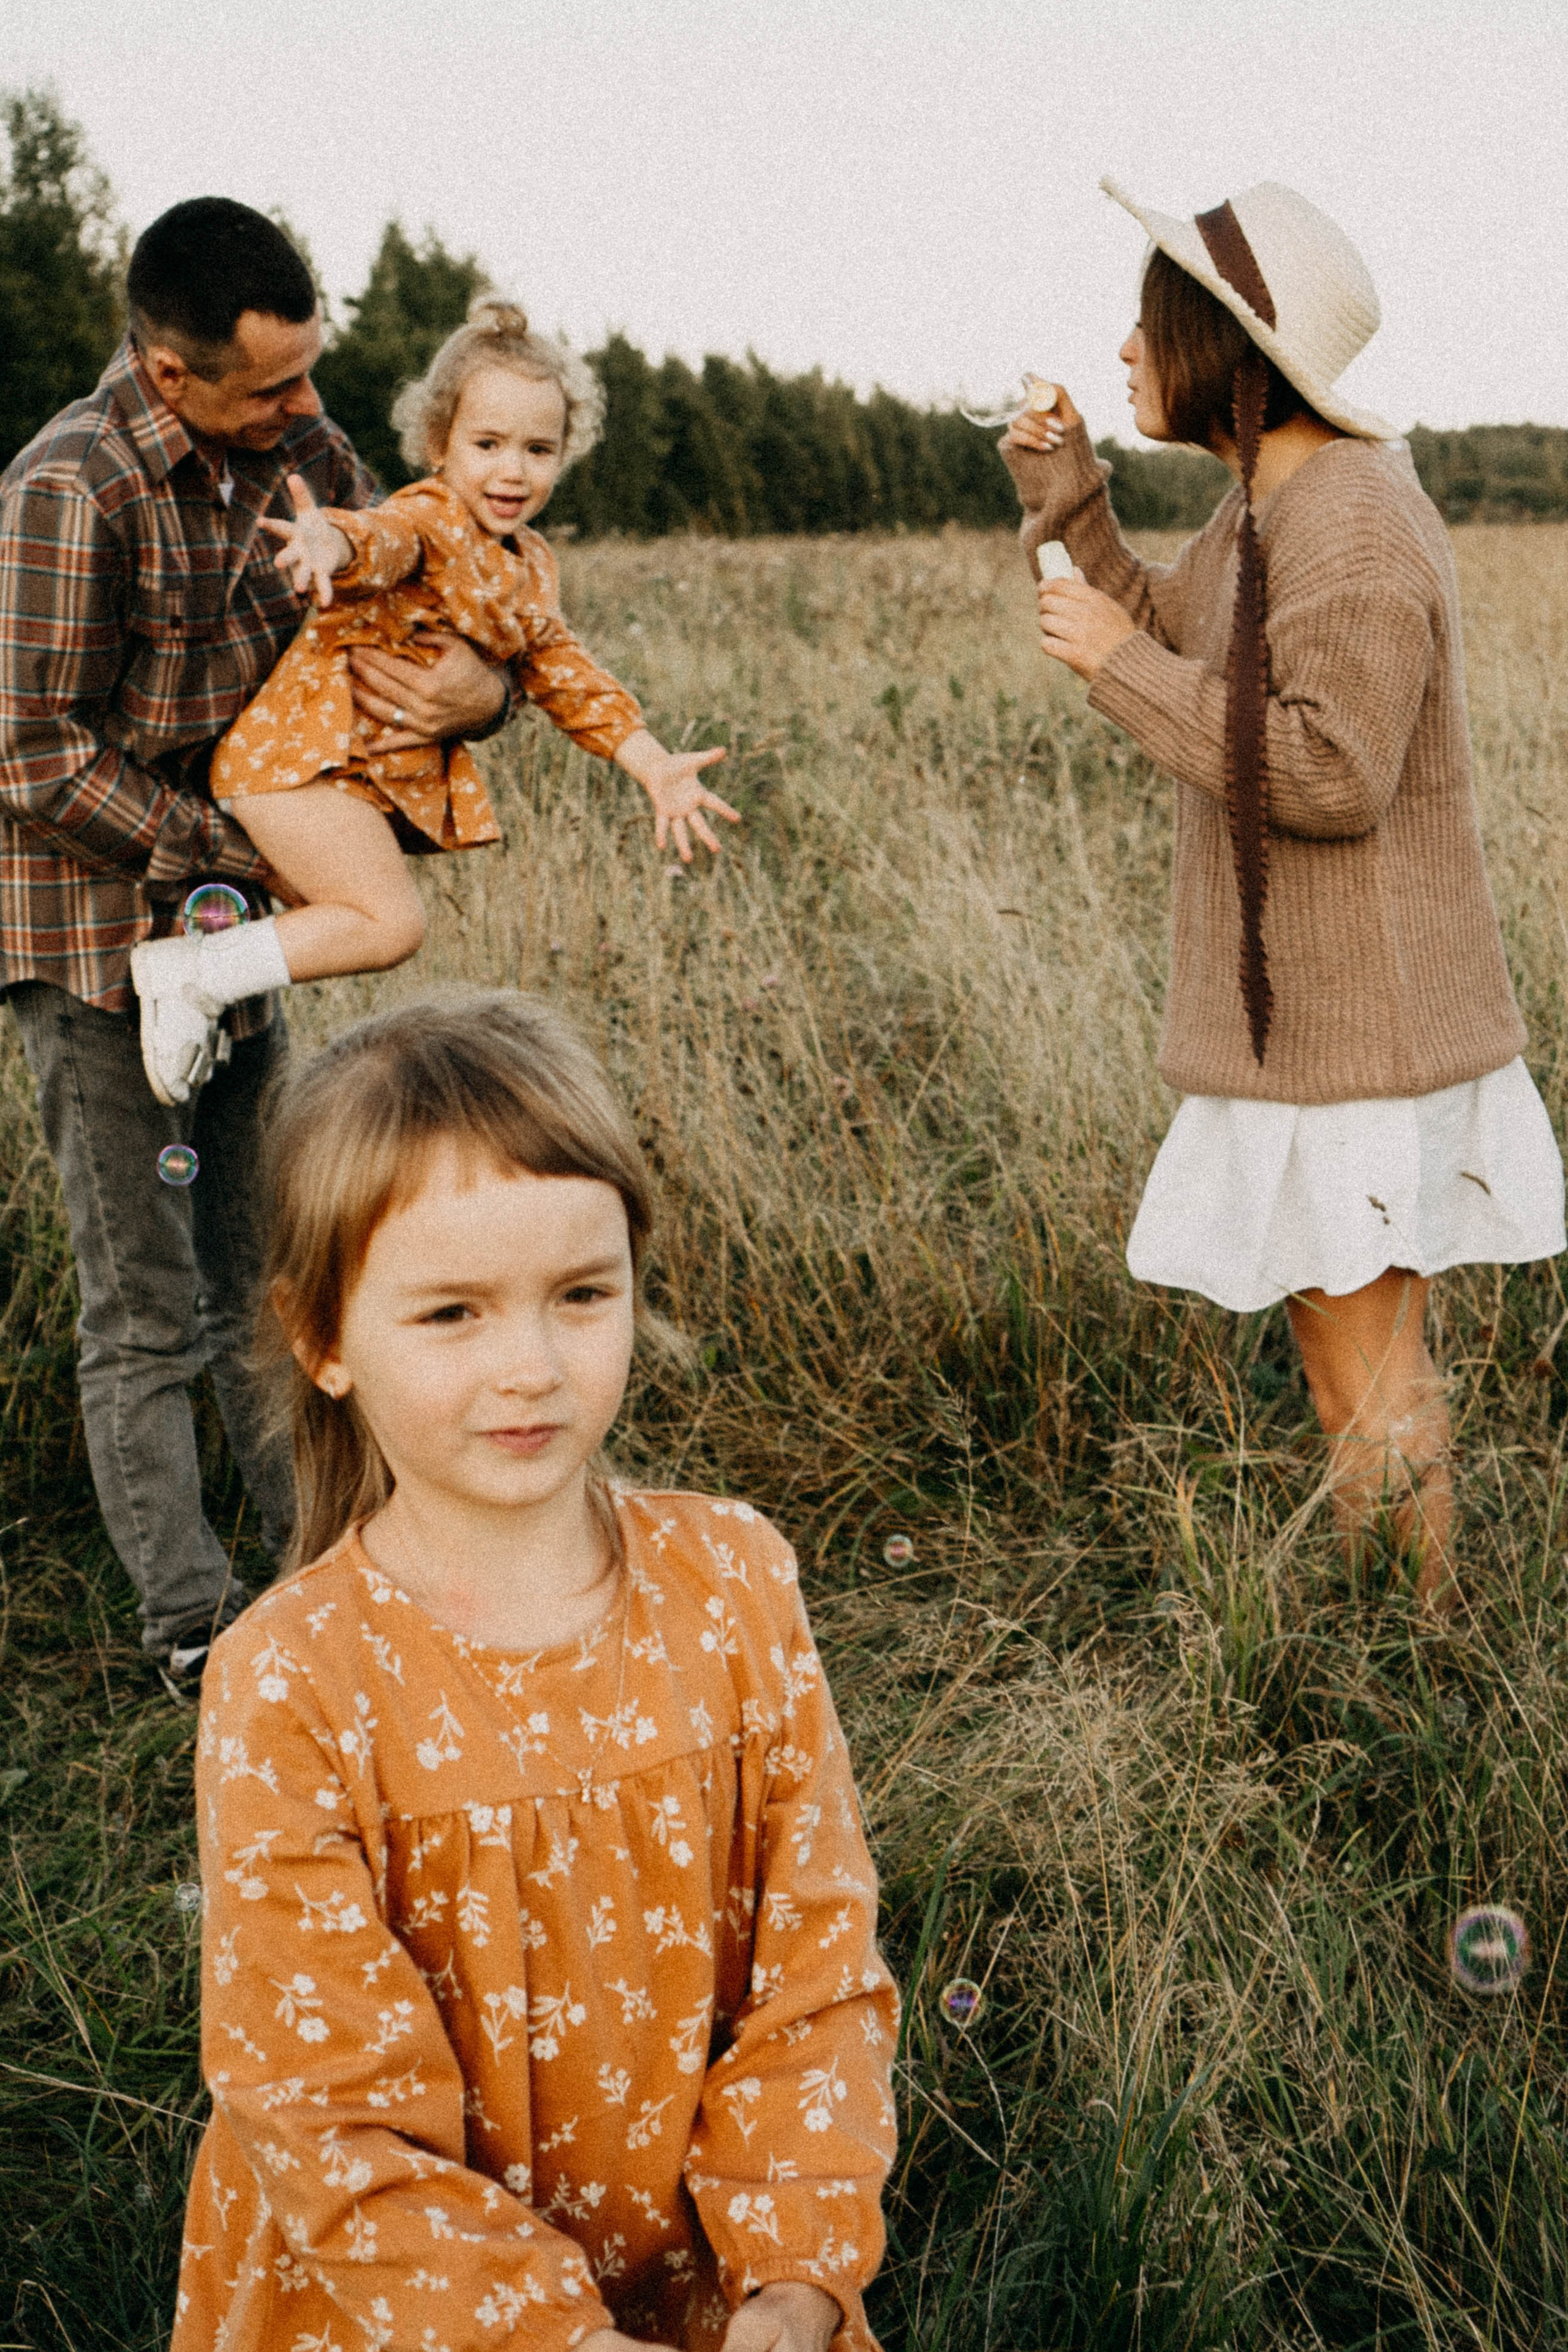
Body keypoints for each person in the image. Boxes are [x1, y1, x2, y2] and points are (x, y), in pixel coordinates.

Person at [172, 992, 897, 2352]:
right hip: (411, 2305)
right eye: (452, 1313)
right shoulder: (292, 1680)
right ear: (322, 1338)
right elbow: (324, 2108)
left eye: (580, 1295)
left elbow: (816, 1975)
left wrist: (794, 2280)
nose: (532, 1368)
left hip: (707, 2290)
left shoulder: (734, 1581)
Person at [1001, 179, 1565, 1608]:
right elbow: (1173, 636)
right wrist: (1068, 498)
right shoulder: (1272, 508)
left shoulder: (1352, 521)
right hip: (1320, 1036)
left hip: (1355, 1042)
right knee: (1350, 1376)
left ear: (1224, 348)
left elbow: (1327, 770)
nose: (1123, 350)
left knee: (1362, 1384)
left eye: (1147, 325)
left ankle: (1417, 1663)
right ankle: (1414, 1642)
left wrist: (1115, 667)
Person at [0, 198, 511, 1691]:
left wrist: (478, 691)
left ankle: (317, 1575)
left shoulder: (299, 448)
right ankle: (194, 1628)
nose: (309, 406)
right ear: (172, 372)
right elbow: (29, 750)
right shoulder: (68, 489)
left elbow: (437, 575)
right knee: (145, 1304)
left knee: (262, 1274)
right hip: (96, 939)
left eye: (310, 372)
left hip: (244, 937)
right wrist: (244, 853)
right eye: (275, 383)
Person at [129, 299, 739, 1095]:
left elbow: (568, 677)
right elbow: (383, 541)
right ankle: (189, 975)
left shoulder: (530, 566)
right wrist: (327, 541)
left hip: (332, 779)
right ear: (438, 444)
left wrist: (653, 765)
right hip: (291, 766)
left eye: (538, 449)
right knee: (391, 923)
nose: (513, 471)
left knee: (361, 916)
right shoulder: (434, 515)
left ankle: (200, 987)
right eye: (487, 444)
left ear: (566, 454)